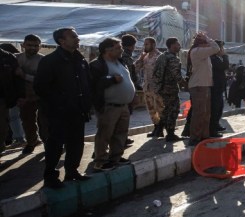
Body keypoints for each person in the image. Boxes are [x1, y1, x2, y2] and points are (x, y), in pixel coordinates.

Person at [34, 27, 92, 188]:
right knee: (55, 145)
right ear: (62, 41)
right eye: (73, 36)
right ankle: (51, 177)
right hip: (58, 112)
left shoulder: (80, 60)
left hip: (78, 111)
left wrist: (87, 104)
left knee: (76, 143)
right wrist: (61, 103)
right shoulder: (50, 61)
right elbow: (41, 87)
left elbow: (87, 83)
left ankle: (72, 171)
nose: (77, 39)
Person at [89, 37, 135, 170]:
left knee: (120, 133)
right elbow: (94, 85)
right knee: (105, 134)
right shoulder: (97, 65)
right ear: (107, 50)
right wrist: (111, 80)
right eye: (118, 48)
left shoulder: (120, 62)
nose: (121, 50)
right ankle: (101, 161)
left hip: (123, 106)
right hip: (109, 106)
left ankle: (116, 157)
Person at [15, 34, 47, 154]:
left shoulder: (43, 60)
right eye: (29, 45)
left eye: (36, 46)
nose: (33, 48)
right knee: (28, 122)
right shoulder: (16, 58)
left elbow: (43, 80)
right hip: (25, 97)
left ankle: (47, 143)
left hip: (42, 96)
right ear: (23, 45)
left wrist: (24, 76)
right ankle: (31, 142)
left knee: (44, 122)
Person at [186, 32, 219, 147]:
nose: (208, 45)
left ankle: (204, 136)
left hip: (204, 85)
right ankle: (195, 137)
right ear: (202, 43)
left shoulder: (202, 53)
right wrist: (208, 38)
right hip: (198, 86)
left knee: (205, 113)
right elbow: (216, 48)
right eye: (206, 43)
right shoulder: (198, 51)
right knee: (199, 113)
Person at [152, 37, 185, 142]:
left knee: (165, 109)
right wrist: (185, 83)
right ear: (172, 45)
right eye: (177, 44)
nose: (179, 46)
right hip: (170, 89)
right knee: (173, 110)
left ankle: (159, 129)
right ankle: (170, 134)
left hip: (161, 88)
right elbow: (177, 75)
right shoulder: (172, 58)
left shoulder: (161, 56)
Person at [135, 37, 164, 138]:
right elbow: (136, 68)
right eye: (144, 44)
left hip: (157, 89)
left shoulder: (160, 56)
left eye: (147, 44)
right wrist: (141, 58)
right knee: (151, 110)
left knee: (160, 109)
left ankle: (161, 129)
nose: (145, 46)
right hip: (147, 88)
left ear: (153, 45)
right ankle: (156, 128)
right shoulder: (145, 57)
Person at [0, 44, 24, 161]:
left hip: (3, 99)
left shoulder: (8, 57)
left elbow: (17, 79)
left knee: (3, 126)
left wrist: (20, 96)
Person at [209, 40, 229, 136]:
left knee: (219, 107)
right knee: (215, 108)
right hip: (214, 87)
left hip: (219, 87)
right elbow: (225, 66)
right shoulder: (212, 58)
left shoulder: (216, 58)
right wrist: (225, 56)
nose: (222, 50)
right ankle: (212, 129)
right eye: (221, 47)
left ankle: (216, 125)